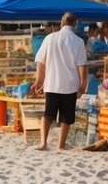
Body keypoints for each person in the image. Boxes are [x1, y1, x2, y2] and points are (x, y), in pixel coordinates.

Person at [31, 12, 88, 151]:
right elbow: (82, 66)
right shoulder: (78, 41)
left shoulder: (50, 38)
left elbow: (41, 61)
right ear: (75, 24)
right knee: (66, 117)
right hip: (70, 85)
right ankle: (61, 145)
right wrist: (82, 86)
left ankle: (43, 143)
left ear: (62, 22)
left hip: (52, 83)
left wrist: (39, 81)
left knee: (48, 114)